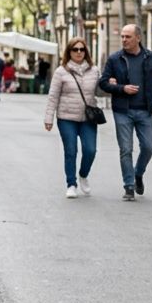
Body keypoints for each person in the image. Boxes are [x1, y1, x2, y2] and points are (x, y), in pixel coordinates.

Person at [99, 24, 152, 201]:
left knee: (148, 147)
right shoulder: (115, 59)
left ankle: (138, 173)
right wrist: (122, 88)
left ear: (138, 38)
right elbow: (103, 83)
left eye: (128, 36)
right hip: (123, 111)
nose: (124, 40)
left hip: (145, 110)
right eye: (122, 36)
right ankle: (129, 185)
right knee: (126, 149)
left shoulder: (151, 58)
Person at [44, 39, 101, 198]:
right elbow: (53, 96)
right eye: (74, 49)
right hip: (66, 117)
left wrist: (111, 83)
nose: (78, 52)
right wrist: (49, 118)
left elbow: (102, 91)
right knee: (71, 151)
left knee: (90, 150)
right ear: (69, 52)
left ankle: (83, 174)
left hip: (88, 118)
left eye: (82, 49)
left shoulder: (95, 70)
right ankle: (71, 183)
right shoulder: (61, 71)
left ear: (86, 52)